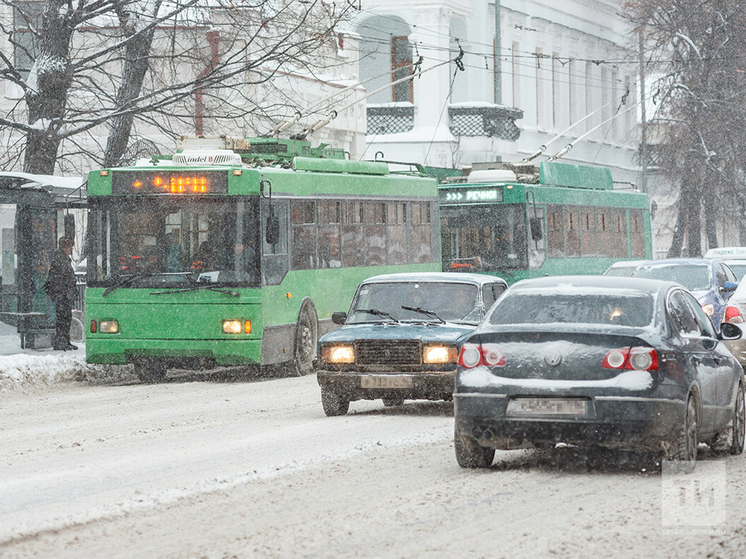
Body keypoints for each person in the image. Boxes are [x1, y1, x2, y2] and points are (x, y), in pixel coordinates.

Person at [45, 236, 78, 351]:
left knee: (65, 318)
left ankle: (64, 341)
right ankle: (61, 341)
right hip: (63, 295)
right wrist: (66, 292)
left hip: (63, 294)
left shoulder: (61, 259)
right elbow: (62, 279)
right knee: (63, 319)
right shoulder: (61, 260)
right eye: (69, 247)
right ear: (66, 247)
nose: (71, 250)